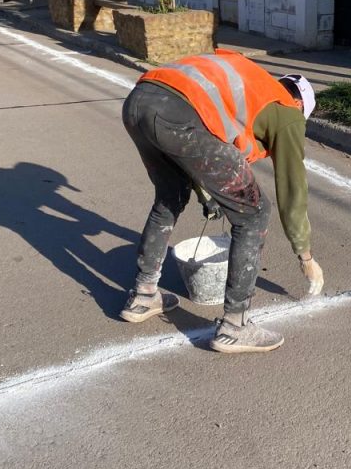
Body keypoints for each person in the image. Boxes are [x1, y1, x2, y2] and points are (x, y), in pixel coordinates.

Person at [121, 49, 324, 354]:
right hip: (179, 113)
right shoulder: (287, 112)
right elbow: (293, 186)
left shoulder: (253, 86)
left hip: (139, 101)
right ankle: (235, 326)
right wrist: (305, 256)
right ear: (299, 104)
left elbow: (207, 149)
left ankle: (144, 293)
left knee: (170, 196)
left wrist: (210, 195)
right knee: (254, 213)